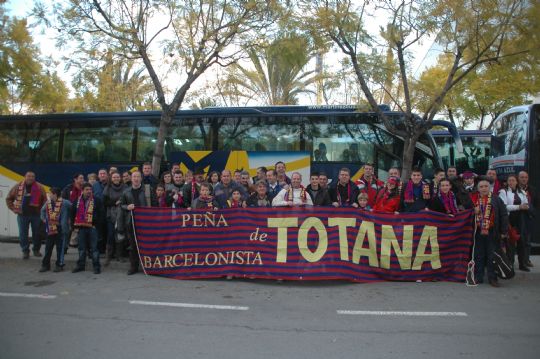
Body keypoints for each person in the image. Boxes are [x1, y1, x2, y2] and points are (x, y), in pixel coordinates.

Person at [118, 171, 157, 275]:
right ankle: (133, 267)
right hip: (131, 222)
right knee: (133, 246)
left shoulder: (148, 190)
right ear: (131, 178)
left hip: (146, 222)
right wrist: (127, 207)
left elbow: (155, 205)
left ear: (141, 178)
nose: (136, 178)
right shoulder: (126, 192)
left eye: (138, 177)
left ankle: (149, 267)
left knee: (148, 245)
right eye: (134, 176)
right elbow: (121, 205)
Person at [471, 178, 508, 287]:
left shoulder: (496, 199)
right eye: (481, 187)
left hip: (492, 231)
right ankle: (478, 277)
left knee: (492, 255)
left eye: (486, 186)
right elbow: (466, 213)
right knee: (479, 255)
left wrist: (504, 231)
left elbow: (503, 215)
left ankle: (493, 278)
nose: (484, 188)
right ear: (478, 189)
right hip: (478, 232)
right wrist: (473, 211)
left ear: (490, 187)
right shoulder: (474, 199)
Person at [6, 171, 47, 259]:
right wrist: (14, 209)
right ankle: (25, 251)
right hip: (22, 215)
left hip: (36, 215)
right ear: (25, 177)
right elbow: (9, 198)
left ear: (34, 178)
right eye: (29, 176)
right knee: (23, 234)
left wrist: (42, 212)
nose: (30, 178)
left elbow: (45, 201)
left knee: (37, 234)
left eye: (32, 176)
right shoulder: (17, 186)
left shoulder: (40, 187)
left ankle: (36, 250)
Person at [71, 183, 104, 274]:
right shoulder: (77, 201)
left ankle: (96, 266)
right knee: (81, 248)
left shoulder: (96, 201)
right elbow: (72, 214)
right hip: (81, 228)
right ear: (82, 191)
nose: (89, 191)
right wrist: (74, 227)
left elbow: (101, 214)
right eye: (87, 189)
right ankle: (81, 265)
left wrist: (97, 225)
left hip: (93, 228)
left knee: (94, 248)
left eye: (90, 189)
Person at [498, 174, 529, 271]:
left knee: (522, 242)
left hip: (521, 219)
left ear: (516, 182)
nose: (511, 182)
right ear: (507, 182)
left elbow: (526, 203)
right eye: (509, 180)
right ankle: (510, 264)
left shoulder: (522, 192)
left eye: (513, 180)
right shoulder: (503, 192)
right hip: (509, 219)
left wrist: (525, 206)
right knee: (510, 243)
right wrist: (519, 207)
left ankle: (522, 264)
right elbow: (504, 207)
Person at [39, 187, 71, 272]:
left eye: (50, 193)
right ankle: (45, 265)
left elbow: (73, 209)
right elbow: (42, 211)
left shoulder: (65, 203)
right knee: (48, 247)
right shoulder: (48, 203)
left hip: (61, 228)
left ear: (55, 194)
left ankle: (59, 265)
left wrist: (69, 220)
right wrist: (44, 219)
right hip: (50, 228)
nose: (49, 195)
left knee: (60, 248)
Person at [102, 171, 128, 265]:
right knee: (110, 235)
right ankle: (109, 255)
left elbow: (127, 199)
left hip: (122, 215)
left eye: (117, 177)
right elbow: (104, 202)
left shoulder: (125, 187)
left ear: (120, 178)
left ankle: (119, 255)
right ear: (111, 178)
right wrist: (114, 202)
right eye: (114, 177)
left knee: (120, 234)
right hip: (111, 215)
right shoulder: (107, 188)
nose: (116, 179)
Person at [518, 170, 536, 268]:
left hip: (528, 217)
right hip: (518, 216)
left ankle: (526, 259)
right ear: (518, 178)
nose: (524, 179)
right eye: (522, 177)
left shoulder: (532, 189)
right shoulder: (514, 189)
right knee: (517, 240)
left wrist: (532, 212)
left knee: (527, 241)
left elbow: (536, 203)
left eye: (525, 177)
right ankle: (513, 261)